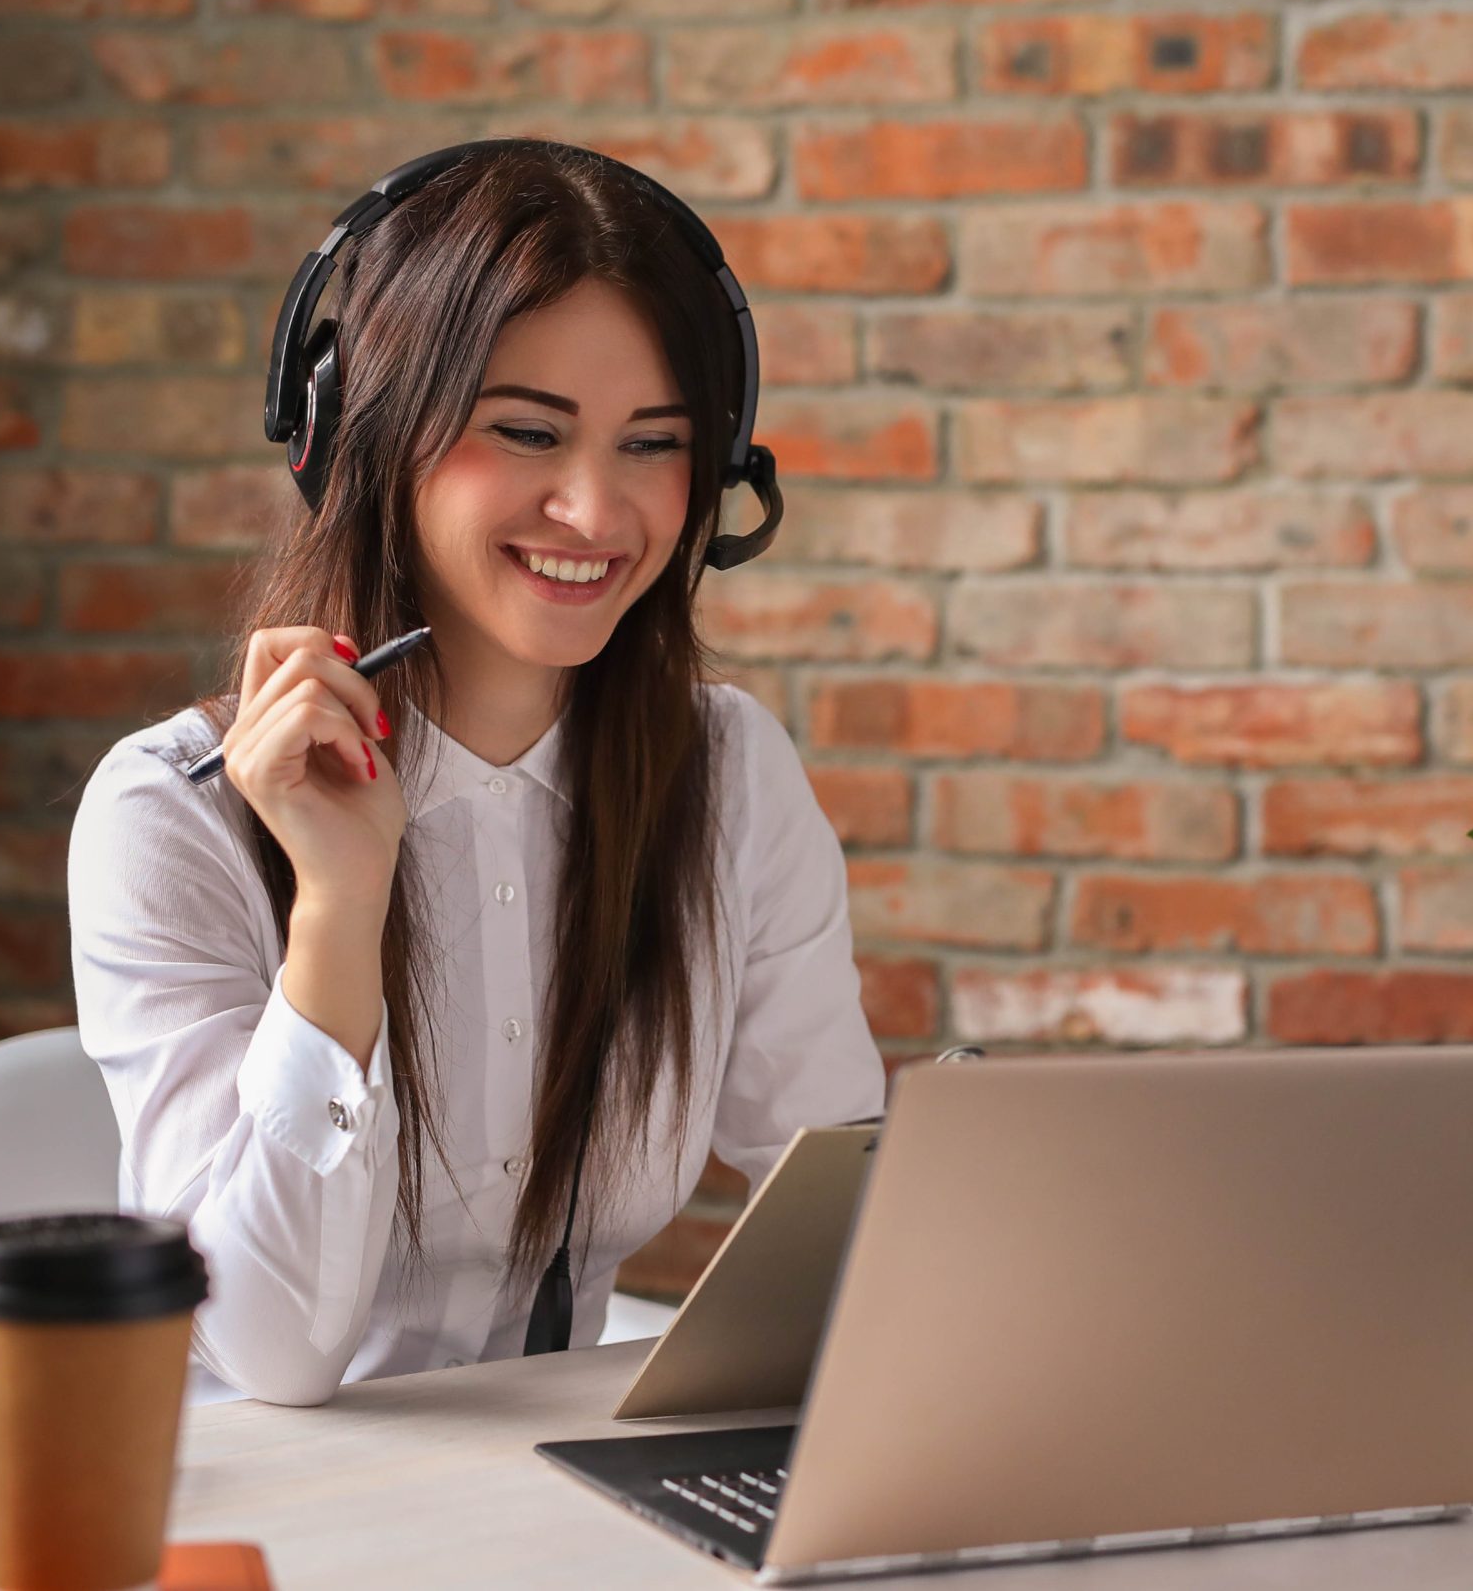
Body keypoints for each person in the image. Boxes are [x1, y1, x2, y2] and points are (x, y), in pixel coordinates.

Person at [66, 141, 886, 1407]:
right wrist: (339, 908)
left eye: (652, 444)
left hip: (547, 1494)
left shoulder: (725, 776)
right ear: (358, 431)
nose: (596, 510)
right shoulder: (169, 815)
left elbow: (849, 1211)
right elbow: (272, 1354)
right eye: (526, 431)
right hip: (238, 1498)